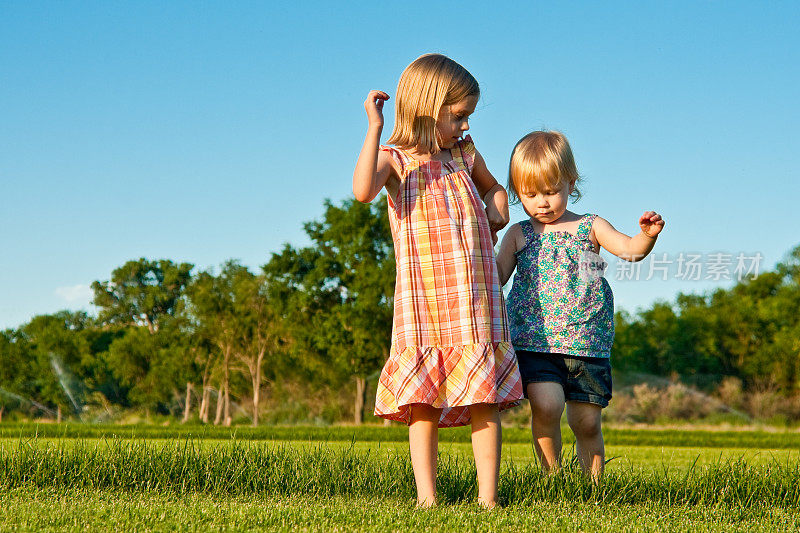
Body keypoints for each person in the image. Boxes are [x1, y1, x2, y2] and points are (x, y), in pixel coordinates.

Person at [352, 53, 523, 507]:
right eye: (459, 115)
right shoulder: (397, 160)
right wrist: (374, 127)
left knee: (483, 396)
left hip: (475, 296)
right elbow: (363, 190)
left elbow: (494, 188)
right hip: (423, 300)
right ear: (428, 106)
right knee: (423, 402)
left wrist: (499, 205)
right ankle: (427, 499)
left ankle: (488, 498)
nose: (465, 126)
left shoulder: (463, 155)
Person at [496, 131, 665, 482]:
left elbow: (629, 250)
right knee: (546, 406)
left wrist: (647, 236)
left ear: (570, 183)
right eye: (529, 194)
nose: (541, 202)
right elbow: (494, 277)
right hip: (535, 342)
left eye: (550, 191)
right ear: (517, 192)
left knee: (586, 422)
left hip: (588, 342)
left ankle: (592, 487)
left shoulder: (591, 227)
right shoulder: (518, 234)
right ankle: (552, 479)